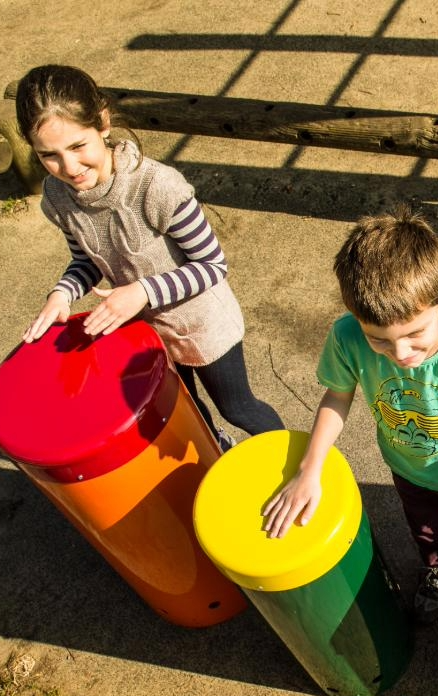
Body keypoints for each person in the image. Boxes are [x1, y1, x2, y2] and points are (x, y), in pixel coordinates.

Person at [261, 208, 438, 624]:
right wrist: (310, 469)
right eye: (379, 340)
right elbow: (337, 396)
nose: (401, 354)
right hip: (407, 468)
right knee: (427, 532)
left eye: (415, 334)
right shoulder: (346, 337)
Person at [15, 64, 282, 446]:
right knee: (185, 407)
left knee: (237, 408)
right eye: (49, 156)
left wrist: (142, 291)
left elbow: (212, 265)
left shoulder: (157, 186)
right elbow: (86, 260)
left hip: (204, 328)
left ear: (103, 124)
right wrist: (62, 293)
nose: (69, 167)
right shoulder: (58, 198)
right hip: (145, 331)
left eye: (78, 146)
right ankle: (217, 453)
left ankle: (296, 466)